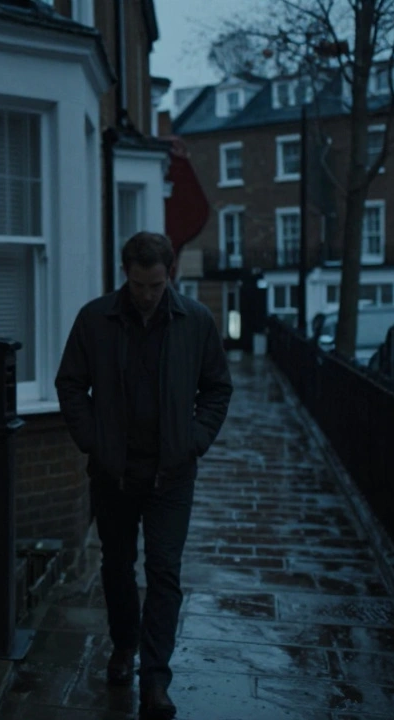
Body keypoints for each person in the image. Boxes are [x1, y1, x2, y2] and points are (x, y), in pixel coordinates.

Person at [54, 232, 232, 720]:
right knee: (116, 566)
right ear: (125, 275)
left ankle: (156, 679)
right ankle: (123, 646)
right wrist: (93, 440)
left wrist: (192, 441)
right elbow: (70, 383)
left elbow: (217, 389)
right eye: (138, 284)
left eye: (155, 284)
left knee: (164, 572)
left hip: (171, 475)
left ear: (169, 274)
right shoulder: (96, 319)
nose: (147, 294)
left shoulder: (196, 321)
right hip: (113, 473)